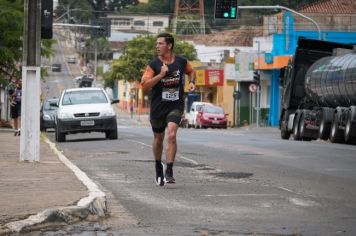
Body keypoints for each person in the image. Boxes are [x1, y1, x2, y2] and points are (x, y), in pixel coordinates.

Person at [141, 33, 196, 186]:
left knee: (171, 135)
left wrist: (192, 82)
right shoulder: (153, 65)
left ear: (169, 45)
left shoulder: (181, 62)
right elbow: (145, 86)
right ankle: (158, 165)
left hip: (175, 104)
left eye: (160, 43)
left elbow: (192, 71)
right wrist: (161, 75)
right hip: (158, 106)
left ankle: (169, 170)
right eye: (156, 44)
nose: (157, 46)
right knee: (158, 138)